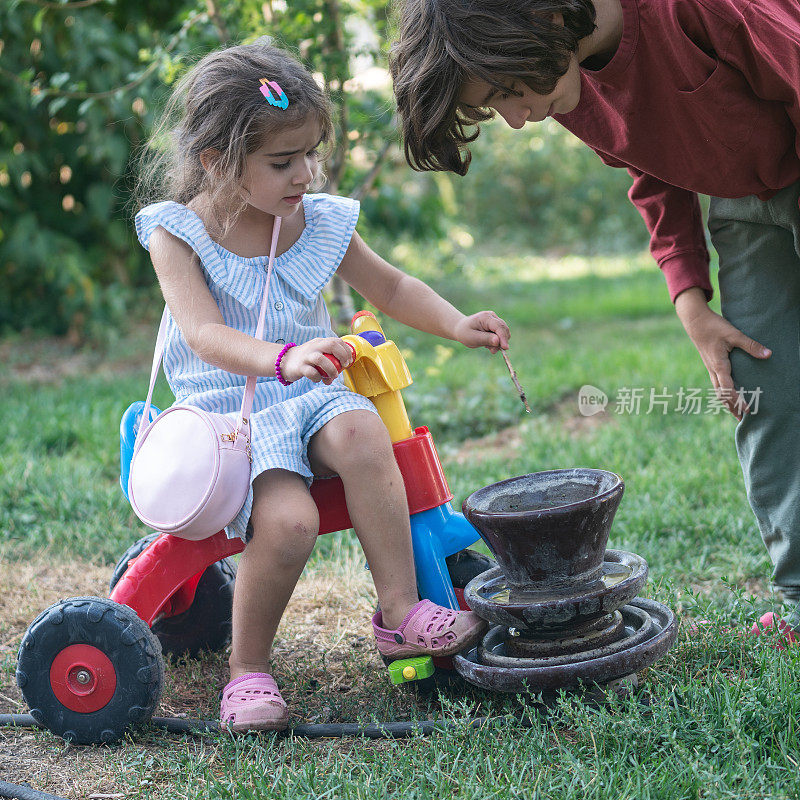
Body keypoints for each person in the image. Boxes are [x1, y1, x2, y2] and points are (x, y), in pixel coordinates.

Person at [389, 0, 800, 644]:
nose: (519, 121)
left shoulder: (691, 11)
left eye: (505, 95)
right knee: (766, 390)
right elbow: (651, 159)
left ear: (540, 20)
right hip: (747, 202)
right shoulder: (567, 75)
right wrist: (690, 297)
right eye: (496, 107)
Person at [133, 40, 509, 732]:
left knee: (365, 429)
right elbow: (203, 335)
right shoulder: (178, 233)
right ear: (217, 162)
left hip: (308, 396)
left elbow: (390, 285)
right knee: (289, 523)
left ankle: (400, 612)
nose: (306, 172)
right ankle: (247, 670)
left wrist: (457, 324)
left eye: (311, 154)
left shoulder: (314, 218)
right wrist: (281, 356)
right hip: (232, 415)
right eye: (284, 161)